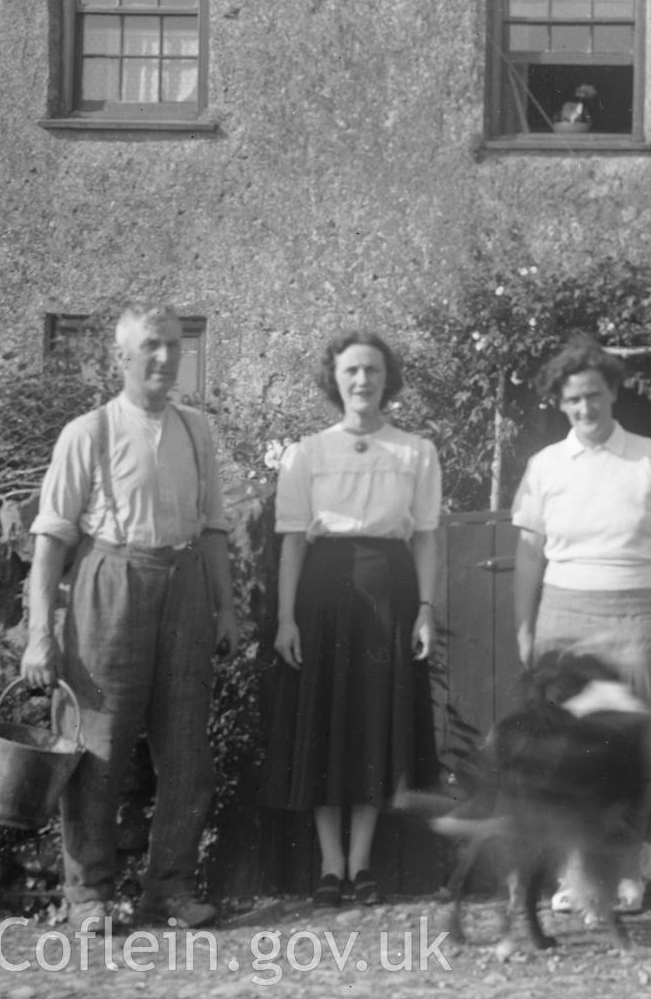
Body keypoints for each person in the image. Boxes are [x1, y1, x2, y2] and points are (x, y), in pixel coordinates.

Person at [20, 302, 239, 933]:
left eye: (174, 345)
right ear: (122, 357)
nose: (165, 358)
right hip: (109, 586)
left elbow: (216, 528)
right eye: (151, 346)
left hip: (185, 586)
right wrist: (40, 636)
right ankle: (87, 894)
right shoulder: (87, 432)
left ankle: (168, 889)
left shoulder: (198, 429)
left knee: (186, 750)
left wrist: (226, 610)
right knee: (97, 746)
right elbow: (51, 542)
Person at [510, 337, 651, 911]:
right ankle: (574, 876)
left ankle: (622, 874)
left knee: (632, 746)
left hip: (637, 612)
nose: (585, 409)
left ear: (612, 392)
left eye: (594, 396)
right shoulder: (544, 467)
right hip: (564, 614)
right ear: (560, 405)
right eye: (573, 401)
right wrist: (524, 626)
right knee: (567, 751)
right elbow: (528, 555)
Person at [260, 330, 441, 908]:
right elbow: (291, 542)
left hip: (390, 592)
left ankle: (361, 865)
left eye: (372, 370)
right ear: (334, 381)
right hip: (323, 593)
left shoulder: (417, 451)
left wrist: (425, 612)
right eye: (351, 372)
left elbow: (428, 539)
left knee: (371, 723)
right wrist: (286, 618)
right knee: (324, 719)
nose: (362, 381)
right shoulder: (306, 454)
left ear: (388, 379)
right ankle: (328, 866)